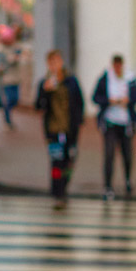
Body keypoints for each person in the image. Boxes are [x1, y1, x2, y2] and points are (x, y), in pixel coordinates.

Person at [34, 49, 84, 209]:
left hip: (70, 129)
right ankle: (58, 193)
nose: (54, 65)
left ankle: (63, 187)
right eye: (51, 62)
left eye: (56, 61)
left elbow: (79, 101)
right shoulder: (44, 83)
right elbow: (38, 106)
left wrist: (78, 122)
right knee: (56, 162)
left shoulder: (71, 81)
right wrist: (45, 92)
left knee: (69, 161)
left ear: (61, 62)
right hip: (53, 130)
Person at [92, 54, 136, 199]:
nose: (118, 69)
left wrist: (129, 100)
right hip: (110, 122)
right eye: (116, 66)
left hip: (126, 123)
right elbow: (95, 97)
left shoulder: (130, 78)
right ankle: (108, 185)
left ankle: (127, 180)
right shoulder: (105, 78)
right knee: (109, 154)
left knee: (127, 154)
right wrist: (108, 101)